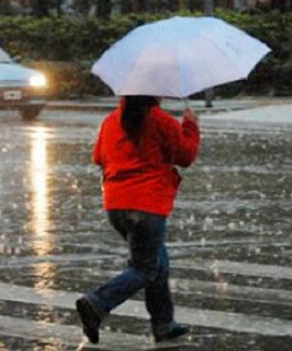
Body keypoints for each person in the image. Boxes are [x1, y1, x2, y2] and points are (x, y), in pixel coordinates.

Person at [76, 95, 200, 344]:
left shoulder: (111, 121)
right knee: (144, 268)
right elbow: (185, 156)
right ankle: (98, 302)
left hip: (116, 205)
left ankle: (163, 323)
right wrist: (190, 126)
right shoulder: (160, 121)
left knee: (158, 263)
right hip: (146, 205)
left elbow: (98, 157)